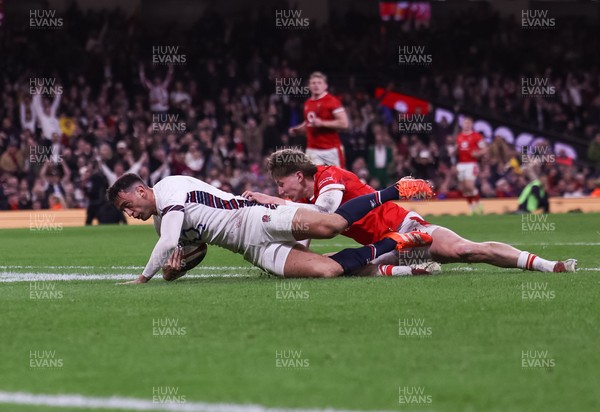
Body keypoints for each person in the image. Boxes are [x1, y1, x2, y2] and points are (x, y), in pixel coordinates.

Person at [244, 149, 576, 274]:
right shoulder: (305, 198)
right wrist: (288, 262)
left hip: (406, 228)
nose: (279, 190)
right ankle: (410, 269)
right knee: (329, 266)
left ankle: (550, 266)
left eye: (281, 183)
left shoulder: (329, 177)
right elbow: (307, 235)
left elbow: (327, 213)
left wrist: (277, 204)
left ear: (299, 175)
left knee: (465, 250)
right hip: (384, 249)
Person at [107, 173, 434, 284]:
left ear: (140, 191)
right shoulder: (162, 222)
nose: (129, 213)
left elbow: (167, 242)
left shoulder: (169, 188)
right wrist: (172, 272)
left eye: (127, 205)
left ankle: (396, 189)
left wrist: (143, 279)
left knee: (330, 226)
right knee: (326, 270)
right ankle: (393, 245)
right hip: (252, 249)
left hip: (254, 218)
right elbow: (193, 250)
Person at [288, 72, 348, 167]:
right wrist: (298, 129)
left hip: (331, 149)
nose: (316, 85)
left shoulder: (332, 101)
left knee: (336, 179)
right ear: (309, 86)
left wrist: (323, 123)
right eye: (313, 83)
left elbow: (344, 123)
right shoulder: (308, 103)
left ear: (325, 86)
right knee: (313, 179)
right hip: (313, 149)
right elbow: (309, 123)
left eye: (319, 83)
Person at [454, 117, 486, 214]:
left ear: (471, 124)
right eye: (465, 123)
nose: (466, 125)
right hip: (461, 164)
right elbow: (457, 150)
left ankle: (479, 204)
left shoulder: (477, 136)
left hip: (471, 164)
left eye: (468, 123)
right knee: (464, 188)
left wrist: (478, 154)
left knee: (469, 185)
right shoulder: (459, 137)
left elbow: (484, 149)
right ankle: (471, 207)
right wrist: (454, 151)